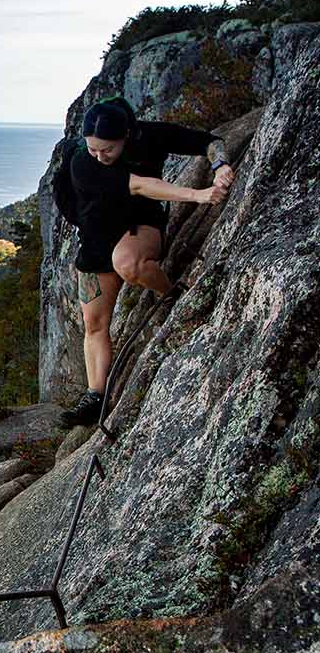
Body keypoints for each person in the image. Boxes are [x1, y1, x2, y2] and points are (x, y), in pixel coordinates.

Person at [58, 98, 237, 427]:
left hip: (139, 228)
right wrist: (199, 195)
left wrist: (220, 164)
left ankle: (171, 295)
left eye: (107, 150)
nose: (100, 156)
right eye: (94, 148)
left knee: (128, 262)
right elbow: (139, 184)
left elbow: (209, 142)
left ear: (127, 135)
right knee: (94, 324)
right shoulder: (82, 161)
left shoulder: (149, 136)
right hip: (96, 238)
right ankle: (95, 396)